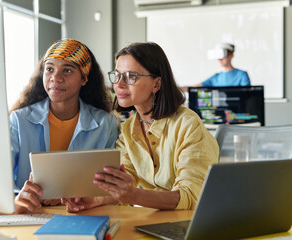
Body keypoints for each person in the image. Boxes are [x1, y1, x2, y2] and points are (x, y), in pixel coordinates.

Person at [62, 42, 219, 212]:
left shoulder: (187, 124)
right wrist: (95, 199)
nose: (119, 84)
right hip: (156, 221)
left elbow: (191, 197)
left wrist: (134, 196)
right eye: (117, 75)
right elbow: (124, 181)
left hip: (194, 223)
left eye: (131, 76)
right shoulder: (127, 129)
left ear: (156, 84)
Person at [10, 39, 119, 213]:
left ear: (84, 78)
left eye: (67, 70)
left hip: (84, 214)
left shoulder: (106, 124)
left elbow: (113, 189)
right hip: (31, 214)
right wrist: (17, 198)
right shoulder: (18, 120)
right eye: (49, 69)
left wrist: (72, 193)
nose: (56, 78)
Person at [179, 43, 250, 92]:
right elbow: (193, 88)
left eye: (223, 55)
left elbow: (247, 95)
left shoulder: (242, 75)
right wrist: (174, 89)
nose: (220, 59)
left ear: (231, 55)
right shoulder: (216, 77)